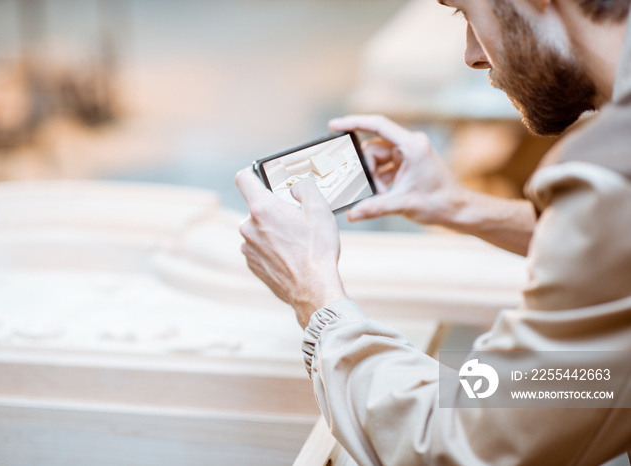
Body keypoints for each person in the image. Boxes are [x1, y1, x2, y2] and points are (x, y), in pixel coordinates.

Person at [235, 0, 631, 464]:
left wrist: (315, 297)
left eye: (466, 12)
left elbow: (465, 442)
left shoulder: (608, 176)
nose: (472, 55)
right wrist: (459, 206)